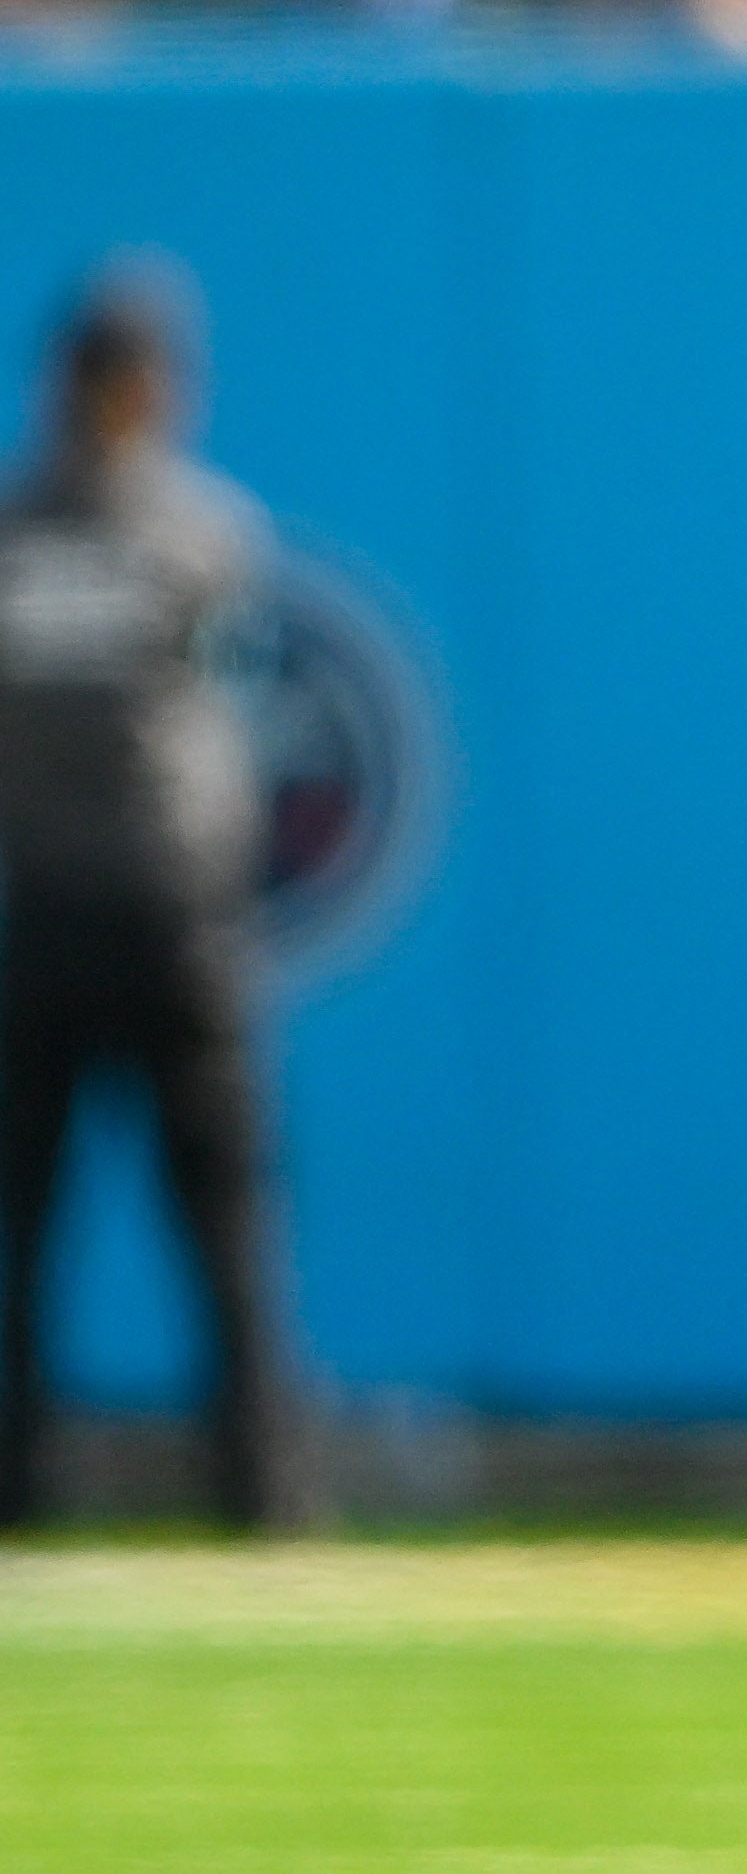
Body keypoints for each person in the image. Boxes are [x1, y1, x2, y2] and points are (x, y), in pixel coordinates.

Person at [0, 272, 311, 1532]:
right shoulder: (201, 532)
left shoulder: (13, 529)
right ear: (137, 384)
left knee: (27, 1223)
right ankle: (264, 1502)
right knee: (226, 1225)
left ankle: (18, 1495)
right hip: (170, 918)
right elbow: (226, 722)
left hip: (44, 910)